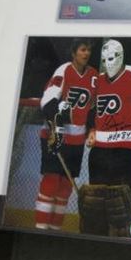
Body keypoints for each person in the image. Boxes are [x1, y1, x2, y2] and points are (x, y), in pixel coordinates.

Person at [83, 39, 131, 237]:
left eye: (111, 58)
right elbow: (91, 109)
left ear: (120, 56)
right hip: (100, 151)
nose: (107, 64)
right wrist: (91, 129)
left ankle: (123, 242)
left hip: (127, 150)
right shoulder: (98, 80)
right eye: (104, 60)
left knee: (121, 204)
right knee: (96, 204)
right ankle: (97, 242)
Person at [35, 39, 98, 231]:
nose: (86, 53)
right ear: (74, 53)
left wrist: (92, 129)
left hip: (77, 141)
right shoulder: (64, 71)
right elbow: (48, 100)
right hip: (55, 135)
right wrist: (57, 129)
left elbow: (94, 108)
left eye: (88, 50)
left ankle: (55, 230)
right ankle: (40, 228)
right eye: (82, 49)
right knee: (51, 181)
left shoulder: (94, 76)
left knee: (65, 188)